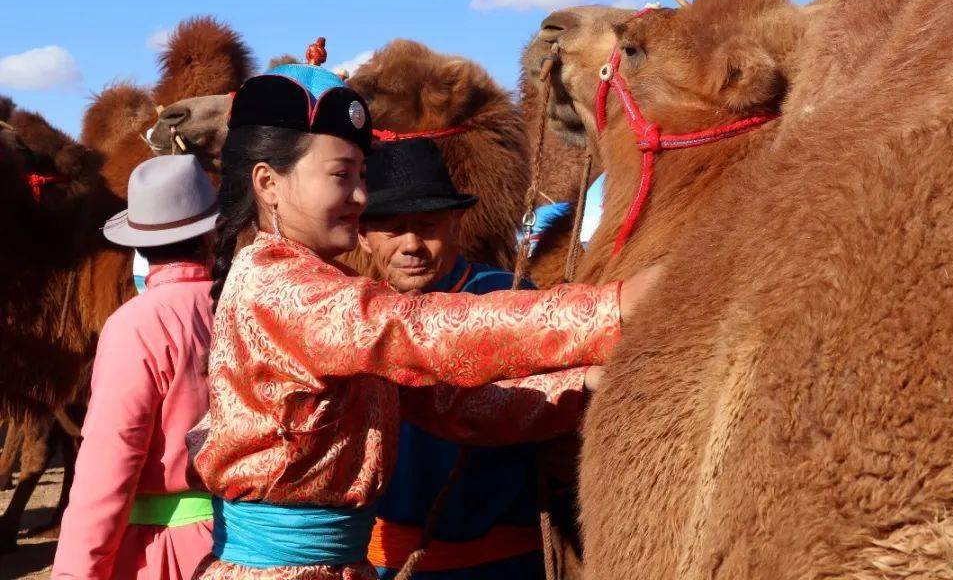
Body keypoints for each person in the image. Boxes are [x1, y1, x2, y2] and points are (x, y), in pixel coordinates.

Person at [191, 56, 657, 580]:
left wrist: (585, 385)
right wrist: (611, 308)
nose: (361, 197)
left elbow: (452, 407)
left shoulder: (319, 288)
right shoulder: (282, 288)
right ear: (268, 183)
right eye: (342, 176)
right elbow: (417, 331)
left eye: (362, 176)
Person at [358, 140, 598, 579]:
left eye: (428, 225)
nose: (411, 244)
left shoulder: (508, 298)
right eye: (392, 230)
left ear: (456, 223)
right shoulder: (357, 317)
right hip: (385, 564)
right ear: (363, 236)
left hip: (502, 564)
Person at [52, 154, 219, 580]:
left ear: (138, 246)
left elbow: (107, 468)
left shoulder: (137, 324)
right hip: (244, 540)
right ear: (210, 236)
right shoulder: (242, 305)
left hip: (166, 554)